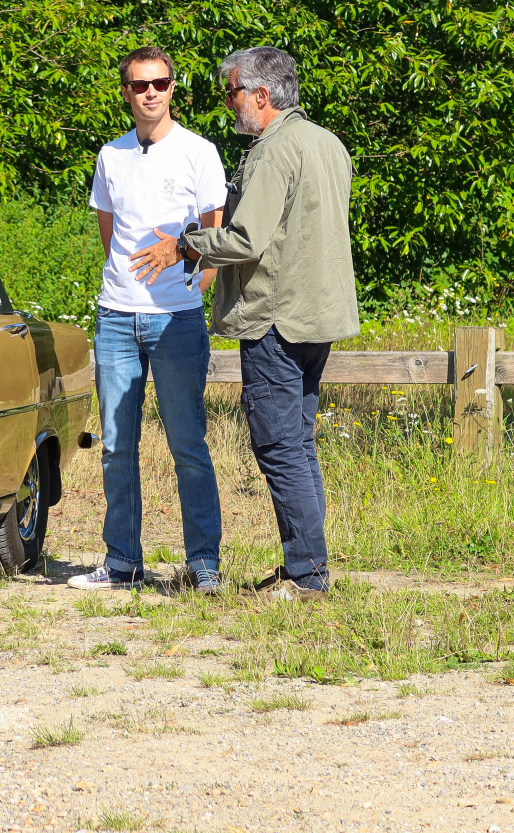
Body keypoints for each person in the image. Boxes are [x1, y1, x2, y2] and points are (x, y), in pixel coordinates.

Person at [129, 46, 359, 599]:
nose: (228, 103)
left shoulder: (274, 151)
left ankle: (307, 576)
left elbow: (246, 239)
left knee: (279, 444)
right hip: (317, 315)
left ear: (261, 95)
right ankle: (307, 565)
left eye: (231, 92)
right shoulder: (328, 143)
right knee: (298, 443)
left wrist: (184, 246)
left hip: (275, 317)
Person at [68, 47, 227, 594]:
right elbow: (109, 234)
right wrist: (125, 287)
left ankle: (203, 564)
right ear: (126, 93)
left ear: (174, 88)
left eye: (160, 83)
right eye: (140, 85)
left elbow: (216, 234)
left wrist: (192, 290)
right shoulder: (109, 156)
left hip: (176, 320)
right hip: (116, 317)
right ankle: (122, 564)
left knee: (188, 443)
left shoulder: (199, 152)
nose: (151, 93)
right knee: (116, 444)